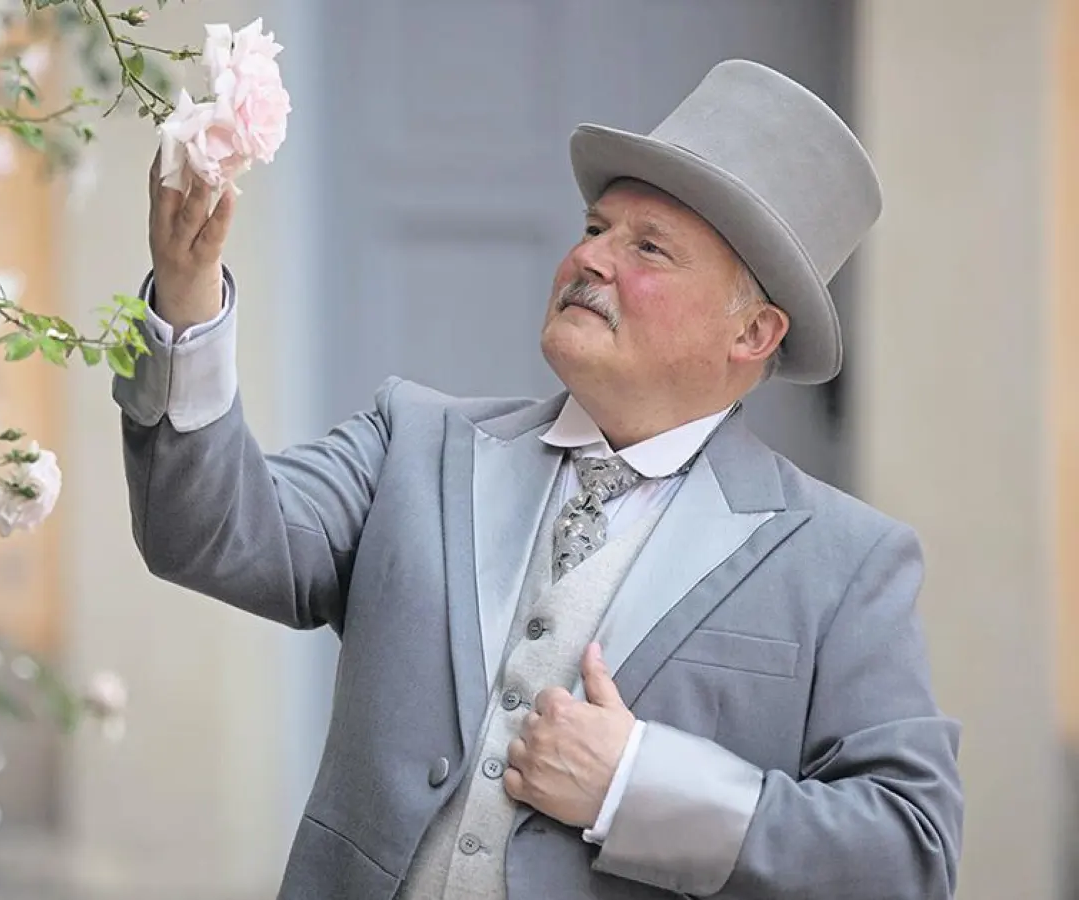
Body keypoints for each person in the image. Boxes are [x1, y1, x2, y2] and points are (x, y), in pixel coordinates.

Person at [113, 59, 964, 899]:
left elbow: (909, 853)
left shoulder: (847, 562)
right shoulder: (414, 440)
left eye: (649, 248)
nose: (591, 259)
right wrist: (187, 301)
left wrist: (637, 784)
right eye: (595, 228)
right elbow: (206, 532)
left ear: (753, 334)